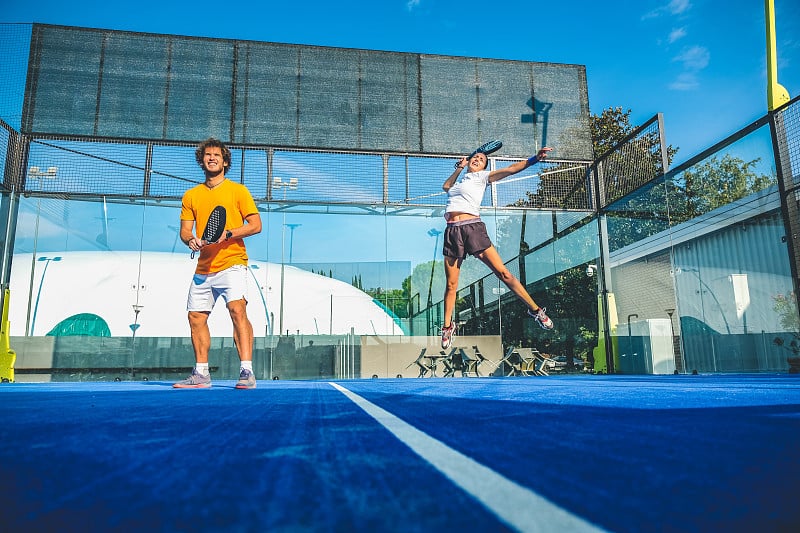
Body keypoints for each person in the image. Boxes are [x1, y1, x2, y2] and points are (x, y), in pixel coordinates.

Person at [439, 146, 554, 350]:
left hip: (472, 228)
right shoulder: (460, 181)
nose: (477, 159)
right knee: (451, 285)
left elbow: (511, 169)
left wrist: (535, 159)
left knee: (504, 273)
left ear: (485, 165)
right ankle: (448, 327)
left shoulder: (483, 177)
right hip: (452, 231)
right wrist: (459, 167)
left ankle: (536, 310)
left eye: (481, 159)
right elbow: (446, 186)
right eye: (475, 157)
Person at [174, 138, 262, 389]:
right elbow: (185, 231)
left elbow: (256, 225)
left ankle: (247, 371)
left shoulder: (238, 191)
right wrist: (190, 240)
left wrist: (229, 234)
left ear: (225, 161)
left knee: (237, 310)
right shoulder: (191, 195)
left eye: (216, 155)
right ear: (201, 160)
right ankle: (201, 375)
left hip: (233, 262)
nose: (212, 158)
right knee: (196, 318)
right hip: (204, 267)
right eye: (207, 155)